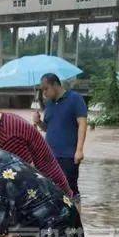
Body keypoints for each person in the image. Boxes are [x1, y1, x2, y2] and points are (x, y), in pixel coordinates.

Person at [0, 100, 72, 196]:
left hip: (53, 195)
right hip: (53, 186)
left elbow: (25, 177)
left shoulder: (8, 135)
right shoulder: (4, 119)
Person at [33, 73, 88, 201]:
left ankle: (75, 220)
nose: (44, 93)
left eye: (46, 88)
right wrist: (38, 122)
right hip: (49, 155)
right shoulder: (49, 104)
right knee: (51, 190)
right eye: (42, 90)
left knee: (71, 191)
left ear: (55, 85)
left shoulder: (75, 99)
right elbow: (48, 128)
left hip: (68, 155)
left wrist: (79, 150)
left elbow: (82, 124)